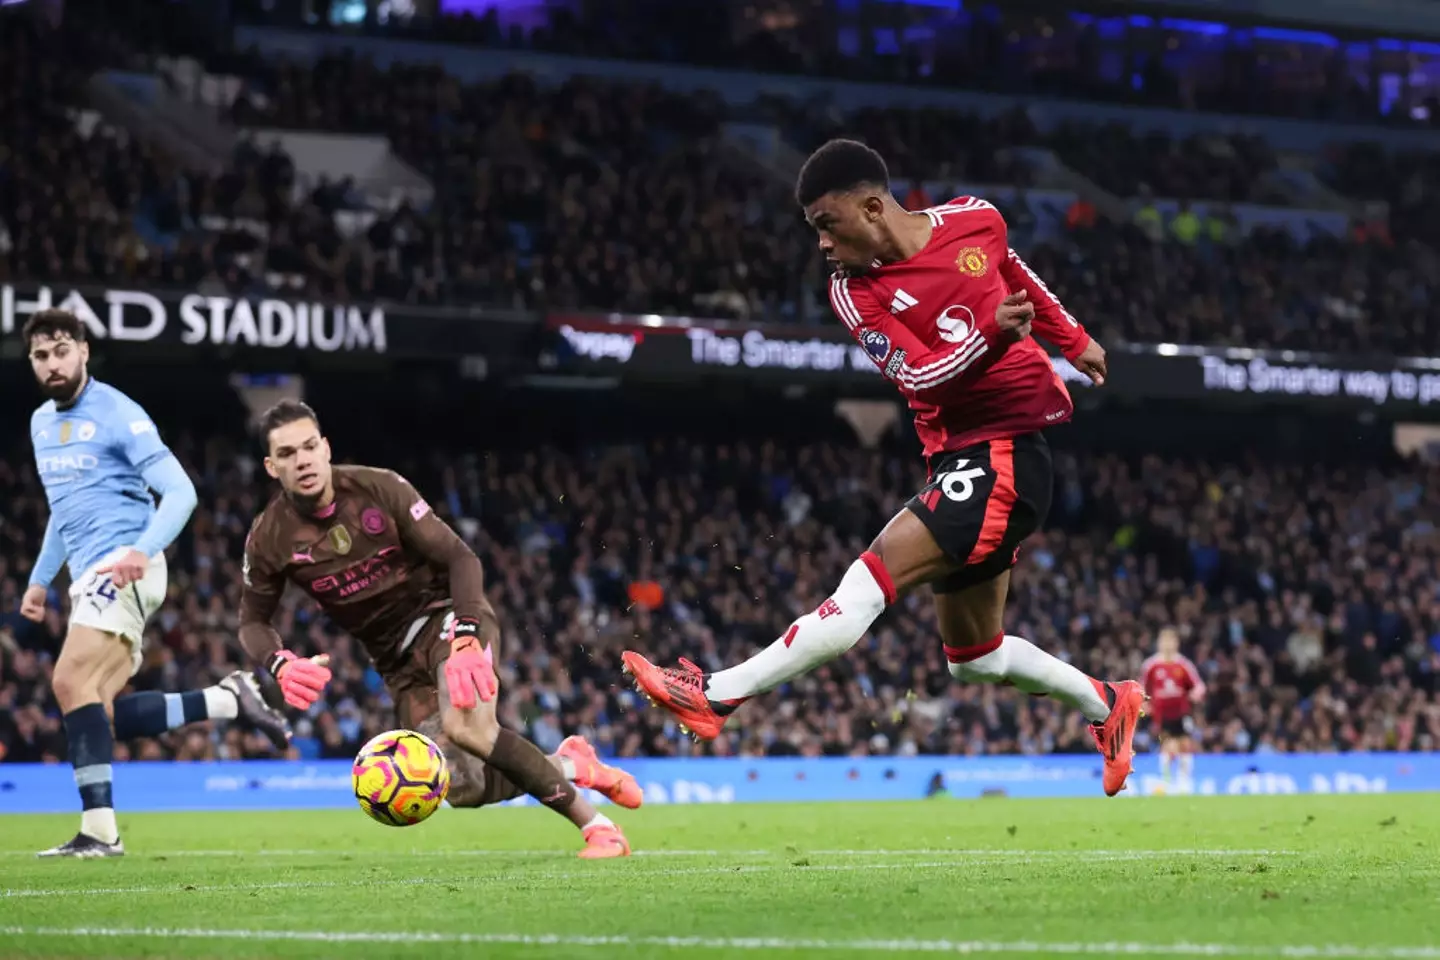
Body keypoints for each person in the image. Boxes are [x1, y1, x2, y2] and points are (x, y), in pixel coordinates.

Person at [622, 139, 1146, 795]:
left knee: (866, 584)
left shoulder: (975, 221)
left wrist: (1072, 337)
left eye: (826, 225)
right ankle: (1109, 704)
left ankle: (717, 695)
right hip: (962, 457)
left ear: (872, 208)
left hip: (1006, 452)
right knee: (975, 659)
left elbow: (1015, 272)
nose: (821, 244)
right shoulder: (854, 291)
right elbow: (923, 378)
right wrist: (991, 338)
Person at [238, 400, 639, 858]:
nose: (303, 460)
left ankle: (599, 828)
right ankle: (571, 765)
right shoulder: (269, 538)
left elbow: (460, 558)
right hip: (395, 662)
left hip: (447, 620)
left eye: (310, 446)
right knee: (459, 785)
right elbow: (251, 621)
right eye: (288, 453)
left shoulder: (379, 488)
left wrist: (467, 633)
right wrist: (279, 662)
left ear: (326, 448)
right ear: (272, 467)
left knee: (466, 725)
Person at [23, 309, 290, 859]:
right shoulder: (40, 424)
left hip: (122, 562)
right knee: (101, 710)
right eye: (41, 355)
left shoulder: (120, 412)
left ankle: (99, 833)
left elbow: (181, 492)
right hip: (87, 574)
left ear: (84, 351)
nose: (52, 363)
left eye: (61, 350)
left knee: (68, 681)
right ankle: (226, 699)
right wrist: (39, 580)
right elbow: (63, 510)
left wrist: (139, 552)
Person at [1140, 627, 1206, 787]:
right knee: (1168, 745)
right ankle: (1167, 779)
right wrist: (1144, 703)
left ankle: (1184, 781)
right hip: (1161, 714)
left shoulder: (1183, 664)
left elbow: (1199, 686)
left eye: (1171, 641)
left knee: (1185, 744)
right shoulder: (1151, 665)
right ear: (1159, 644)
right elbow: (1142, 688)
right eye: (1165, 641)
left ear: (1176, 643)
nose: (1168, 645)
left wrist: (1195, 695)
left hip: (1182, 712)